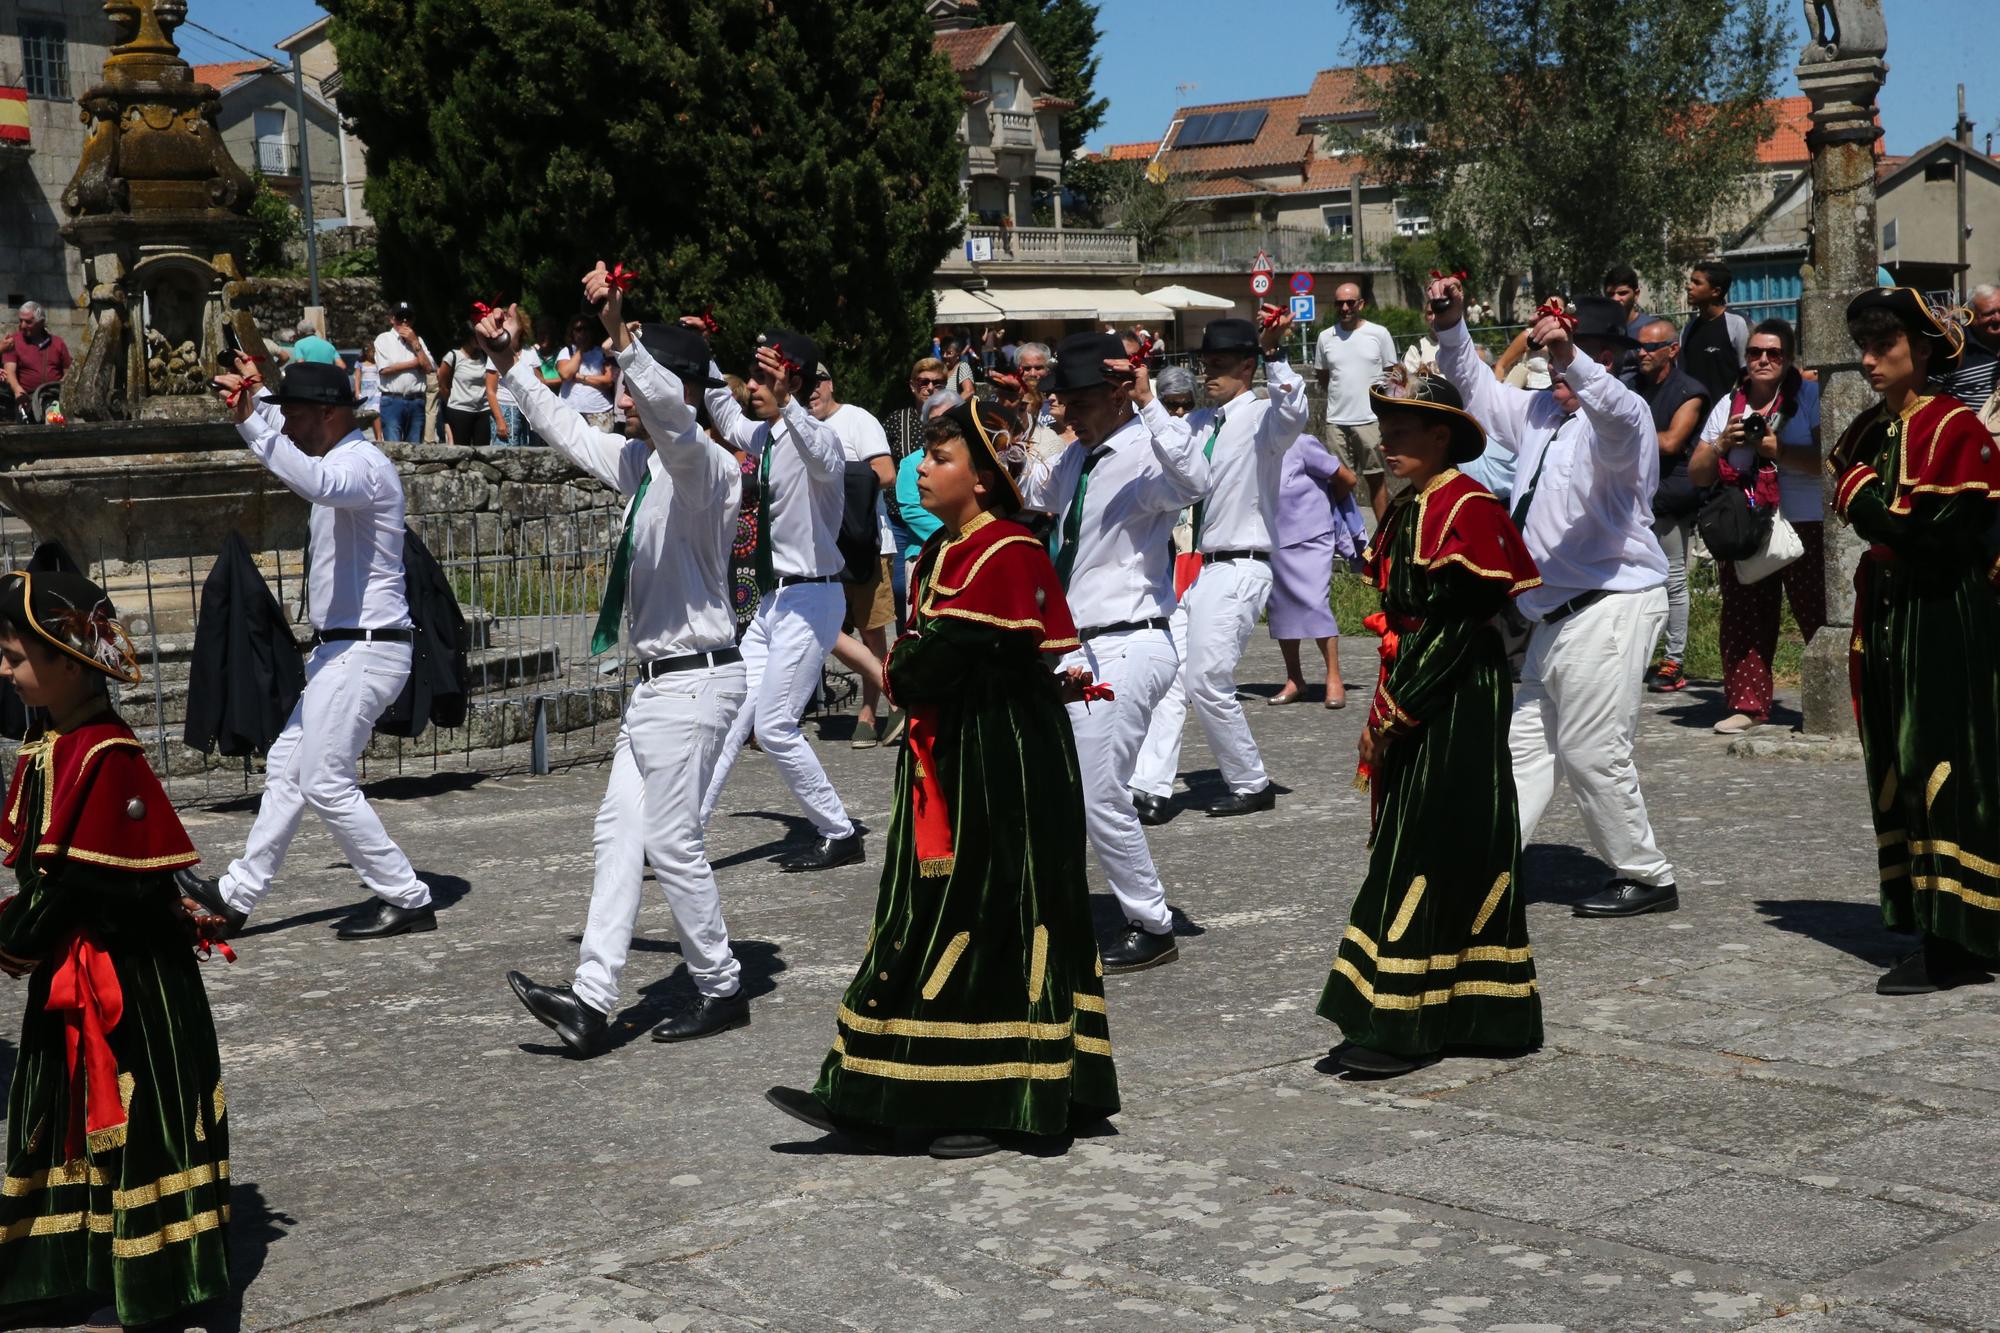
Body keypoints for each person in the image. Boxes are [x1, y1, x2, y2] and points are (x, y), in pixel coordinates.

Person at [764, 399, 1117, 1158]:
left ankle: (1003, 1096)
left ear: (985, 481)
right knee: (923, 917)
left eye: (943, 457)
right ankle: (880, 1085)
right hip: (954, 755)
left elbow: (930, 659)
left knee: (991, 917)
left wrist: (896, 667)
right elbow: (921, 661)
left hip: (1003, 764)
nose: (922, 466)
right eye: (924, 454)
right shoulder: (946, 552)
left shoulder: (1006, 552)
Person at [487, 267, 754, 1053]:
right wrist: (512, 369)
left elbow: (672, 417)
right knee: (617, 834)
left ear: (678, 388)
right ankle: (592, 998)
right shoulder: (642, 470)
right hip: (657, 688)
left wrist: (620, 327)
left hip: (697, 682)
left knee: (671, 841)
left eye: (634, 382)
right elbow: (570, 433)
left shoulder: (708, 468)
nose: (620, 395)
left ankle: (721, 985)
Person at [0, 570, 232, 1330]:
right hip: (77, 968)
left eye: (13, 655)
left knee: (137, 1127)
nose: (2, 669)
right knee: (62, 1118)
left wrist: (13, 939)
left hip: (133, 986)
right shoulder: (54, 742)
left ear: (68, 661)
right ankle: (70, 1264)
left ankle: (160, 1281)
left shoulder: (105, 754)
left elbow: (66, 888)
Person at [1429, 276, 1679, 919]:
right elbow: (1477, 389)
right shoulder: (1541, 412)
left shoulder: (1624, 420)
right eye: (1553, 353)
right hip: (1553, 611)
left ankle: (1646, 874)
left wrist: (1572, 358)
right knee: (1526, 747)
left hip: (1613, 600)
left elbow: (1616, 412)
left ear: (1605, 358)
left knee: (1593, 747)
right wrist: (1453, 322)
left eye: (1577, 352)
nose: (1559, 365)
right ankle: (1486, 855)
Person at [1319, 375, 1542, 1077]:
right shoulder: (1414, 504)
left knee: (1429, 842)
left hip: (1453, 696)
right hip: (1420, 679)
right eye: (1385, 428)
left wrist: (1395, 709)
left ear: (1442, 436)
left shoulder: (1467, 506)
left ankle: (1408, 1019)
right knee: (1427, 840)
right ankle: (1458, 1009)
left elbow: (1456, 622)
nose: (1388, 441)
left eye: (1405, 429)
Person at [181, 359, 435, 940]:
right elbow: (289, 426)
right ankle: (238, 893)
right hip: (342, 652)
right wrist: (261, 394)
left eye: (295, 415)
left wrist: (251, 418)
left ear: (328, 414)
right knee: (287, 770)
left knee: (324, 780)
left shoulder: (361, 466)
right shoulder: (334, 447)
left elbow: (315, 481)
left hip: (365, 652)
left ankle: (407, 895)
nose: (285, 424)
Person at [1829, 287, 2000, 995]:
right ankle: (1929, 919)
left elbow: (1931, 538)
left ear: (1922, 351)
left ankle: (1957, 939)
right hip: (1894, 614)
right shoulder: (1878, 426)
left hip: (1943, 613)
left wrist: (1862, 497)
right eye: (1864, 349)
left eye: (1885, 348)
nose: (1869, 361)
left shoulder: (1954, 427)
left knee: (1944, 763)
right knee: (1900, 763)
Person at [1025, 331, 1207, 973]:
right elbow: (1035, 499)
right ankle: (1066, 903)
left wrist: (1149, 401)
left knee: (1102, 791)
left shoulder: (1143, 451)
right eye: (1060, 399)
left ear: (1112, 393)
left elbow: (1194, 478)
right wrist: (1028, 420)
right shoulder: (1082, 454)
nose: (1064, 411)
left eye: (1073, 399)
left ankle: (1152, 923)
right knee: (1068, 785)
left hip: (1128, 642)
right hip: (1080, 645)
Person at [698, 330, 865, 872]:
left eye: (765, 378)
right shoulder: (769, 437)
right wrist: (702, 355)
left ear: (792, 381)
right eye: (753, 376)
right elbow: (724, 414)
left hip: (814, 598)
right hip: (776, 602)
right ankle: (685, 835)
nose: (752, 386)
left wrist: (791, 399)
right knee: (730, 716)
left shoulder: (820, 439)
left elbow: (821, 454)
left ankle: (840, 831)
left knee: (774, 726)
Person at [1132, 313, 1306, 821]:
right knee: (1168, 676)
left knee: (1207, 678)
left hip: (1243, 563)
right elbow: (1162, 441)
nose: (1209, 375)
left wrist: (1276, 356)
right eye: (1206, 364)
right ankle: (1151, 788)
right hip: (1200, 566)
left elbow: (1294, 410)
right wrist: (1139, 393)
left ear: (1247, 367)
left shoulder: (1264, 418)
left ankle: (1252, 782)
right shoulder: (1202, 421)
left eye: (1222, 366)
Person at [1686, 319, 1823, 734]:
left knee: (1817, 615)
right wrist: (1723, 444)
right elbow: (1697, 474)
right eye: (1755, 353)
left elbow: (1825, 461)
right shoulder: (1729, 405)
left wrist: (1775, 449)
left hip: (1804, 520)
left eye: (1774, 353)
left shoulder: (1812, 397)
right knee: (1745, 616)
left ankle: (1831, 703)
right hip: (1748, 524)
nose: (1763, 360)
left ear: (1789, 358)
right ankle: (1747, 704)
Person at [811, 370, 901, 748]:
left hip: (865, 544)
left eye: (818, 379)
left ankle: (868, 711)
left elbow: (885, 472)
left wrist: (831, 476)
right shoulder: (795, 426)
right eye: (803, 381)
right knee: (821, 631)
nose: (811, 389)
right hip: (820, 550)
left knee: (870, 630)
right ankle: (897, 697)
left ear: (832, 382)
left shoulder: (857, 419)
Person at [1624, 316, 1711, 694]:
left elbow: (1672, 442)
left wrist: (1623, 428)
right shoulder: (1630, 385)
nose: (1641, 353)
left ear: (1672, 350)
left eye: (1649, 347)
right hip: (1630, 493)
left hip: (1669, 495)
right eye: (1638, 346)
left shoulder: (1690, 391)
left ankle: (1673, 660)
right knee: (1629, 582)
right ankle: (1633, 655)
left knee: (1672, 579)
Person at [1269, 431, 1360, 708]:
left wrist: (1329, 504)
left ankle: (1334, 677)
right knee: (1281, 607)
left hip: (1312, 535)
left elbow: (1347, 478)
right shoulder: (1256, 446)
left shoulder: (1301, 442)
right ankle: (1294, 679)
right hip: (1274, 538)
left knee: (1315, 603)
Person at [1315, 283, 1400, 522]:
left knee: (1376, 478)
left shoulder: (1379, 334)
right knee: (1340, 482)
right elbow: (1323, 377)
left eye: (1350, 302)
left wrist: (1387, 412)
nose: (1344, 308)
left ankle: (1383, 536)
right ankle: (1345, 536)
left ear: (1360, 304)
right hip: (1336, 422)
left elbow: (1392, 374)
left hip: (1370, 420)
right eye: (1339, 303)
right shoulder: (1325, 337)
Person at [1680, 261, 1749, 403]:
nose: (1689, 287)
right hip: (1697, 417)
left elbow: (1748, 372)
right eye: (1690, 281)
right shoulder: (1688, 330)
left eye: (1697, 283)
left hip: (1728, 414)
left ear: (1716, 291)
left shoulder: (1737, 324)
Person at [372, 304, 433, 443]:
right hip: (393, 400)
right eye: (400, 317)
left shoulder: (418, 341)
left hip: (416, 400)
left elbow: (429, 368)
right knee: (393, 447)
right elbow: (384, 369)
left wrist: (415, 343)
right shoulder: (383, 339)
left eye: (408, 318)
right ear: (392, 319)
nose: (404, 322)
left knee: (415, 447)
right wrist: (415, 363)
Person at [3, 301, 72, 422]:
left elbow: (69, 372)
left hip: (52, 397)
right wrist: (18, 390)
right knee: (25, 429)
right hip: (26, 398)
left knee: (55, 424)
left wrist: (62, 387)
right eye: (21, 321)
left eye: (28, 322)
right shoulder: (13, 342)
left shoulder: (57, 343)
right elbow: (10, 372)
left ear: (41, 323)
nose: (22, 325)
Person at [1943, 284, 2000, 407]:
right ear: (1970, 316)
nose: (1997, 318)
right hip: (1967, 425)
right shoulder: (1954, 346)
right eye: (1989, 313)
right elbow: (1931, 394)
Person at [558, 316, 619, 432]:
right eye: (578, 329)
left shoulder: (601, 352)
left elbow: (608, 381)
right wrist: (581, 350)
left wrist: (579, 377)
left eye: (586, 329)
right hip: (570, 411)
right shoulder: (567, 351)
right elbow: (565, 375)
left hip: (600, 412)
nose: (583, 333)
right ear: (572, 333)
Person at [438, 327, 495, 447]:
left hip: (483, 410)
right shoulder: (453, 356)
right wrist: (451, 400)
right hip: (460, 410)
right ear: (468, 337)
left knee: (483, 450)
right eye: (477, 337)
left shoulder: (484, 356)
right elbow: (443, 384)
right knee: (462, 450)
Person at [1602, 263, 1652, 340]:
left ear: (1636, 294)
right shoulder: (1600, 330)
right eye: (1610, 294)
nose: (1615, 299)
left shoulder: (1652, 329)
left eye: (1622, 293)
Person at [353, 341, 384, 441]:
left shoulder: (378, 363)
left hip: (376, 391)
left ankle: (379, 437)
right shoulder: (360, 364)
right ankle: (360, 437)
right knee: (365, 414)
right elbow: (357, 378)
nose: (372, 354)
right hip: (365, 392)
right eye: (371, 352)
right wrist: (357, 391)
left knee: (376, 413)